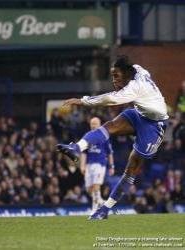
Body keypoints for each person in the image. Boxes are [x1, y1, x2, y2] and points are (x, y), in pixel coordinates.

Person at [57, 56, 168, 220]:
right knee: (110, 125)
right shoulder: (137, 69)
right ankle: (76, 148)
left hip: (155, 125)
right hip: (140, 114)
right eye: (112, 75)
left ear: (126, 74)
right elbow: (145, 74)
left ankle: (105, 209)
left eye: (116, 75)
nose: (114, 79)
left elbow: (109, 99)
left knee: (132, 167)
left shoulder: (133, 88)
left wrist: (83, 101)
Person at [79, 117, 115, 214]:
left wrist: (111, 166)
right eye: (92, 123)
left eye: (95, 123)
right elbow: (84, 152)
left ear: (99, 125)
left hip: (100, 164)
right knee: (88, 189)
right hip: (89, 165)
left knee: (96, 185)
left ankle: (94, 210)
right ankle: (101, 201)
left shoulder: (104, 136)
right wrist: (82, 166)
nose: (93, 125)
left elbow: (109, 152)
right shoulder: (87, 136)